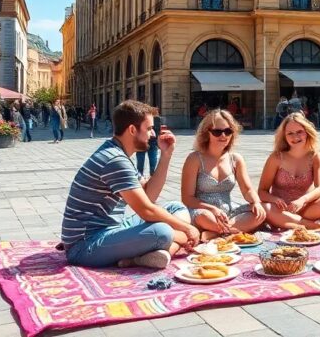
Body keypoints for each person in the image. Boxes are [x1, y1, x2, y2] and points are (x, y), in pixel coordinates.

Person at [59, 100, 199, 269]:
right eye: (148, 129)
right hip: (84, 245)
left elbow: (149, 195)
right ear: (132, 130)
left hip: (111, 229)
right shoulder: (115, 160)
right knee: (162, 232)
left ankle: (163, 252)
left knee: (175, 207)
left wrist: (166, 155)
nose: (153, 135)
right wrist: (187, 229)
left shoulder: (119, 154)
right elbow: (146, 210)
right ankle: (174, 243)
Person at [181, 109, 266, 240]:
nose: (223, 136)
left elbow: (247, 189)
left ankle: (215, 233)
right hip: (203, 211)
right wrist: (212, 209)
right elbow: (187, 198)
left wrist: (256, 202)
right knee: (205, 217)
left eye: (228, 131)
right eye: (217, 132)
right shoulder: (195, 159)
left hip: (228, 212)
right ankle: (228, 231)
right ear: (206, 133)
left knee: (260, 212)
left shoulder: (235, 159)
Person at [258, 112, 320, 229]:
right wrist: (275, 199)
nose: (295, 137)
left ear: (307, 132)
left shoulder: (316, 157)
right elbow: (261, 192)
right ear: (284, 136)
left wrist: (303, 200)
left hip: (304, 208)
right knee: (264, 207)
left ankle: (290, 222)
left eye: (299, 132)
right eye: (290, 133)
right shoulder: (276, 158)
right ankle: (307, 224)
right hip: (279, 210)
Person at [137, 110, 161, 176]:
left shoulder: (140, 117)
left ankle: (140, 174)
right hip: (150, 140)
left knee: (141, 158)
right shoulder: (157, 118)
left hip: (144, 140)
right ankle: (151, 174)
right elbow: (158, 131)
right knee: (152, 158)